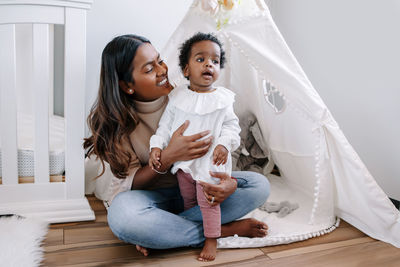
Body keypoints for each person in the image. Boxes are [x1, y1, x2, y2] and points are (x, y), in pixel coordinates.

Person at [84, 34, 270, 262]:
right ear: (127, 85)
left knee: (259, 185)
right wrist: (170, 155)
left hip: (202, 186)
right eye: (150, 68)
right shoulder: (120, 124)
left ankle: (167, 233)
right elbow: (130, 184)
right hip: (155, 198)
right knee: (123, 217)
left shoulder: (189, 96)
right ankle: (222, 229)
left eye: (160, 60)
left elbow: (222, 139)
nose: (163, 70)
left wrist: (227, 184)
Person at [149, 32, 240, 261]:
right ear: (186, 69)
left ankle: (211, 239)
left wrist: (224, 145)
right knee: (188, 200)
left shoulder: (223, 100)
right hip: (183, 165)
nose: (209, 64)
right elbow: (164, 126)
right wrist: (156, 148)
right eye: (200, 59)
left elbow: (231, 128)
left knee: (208, 202)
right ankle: (192, 228)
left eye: (215, 61)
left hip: (210, 164)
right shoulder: (177, 97)